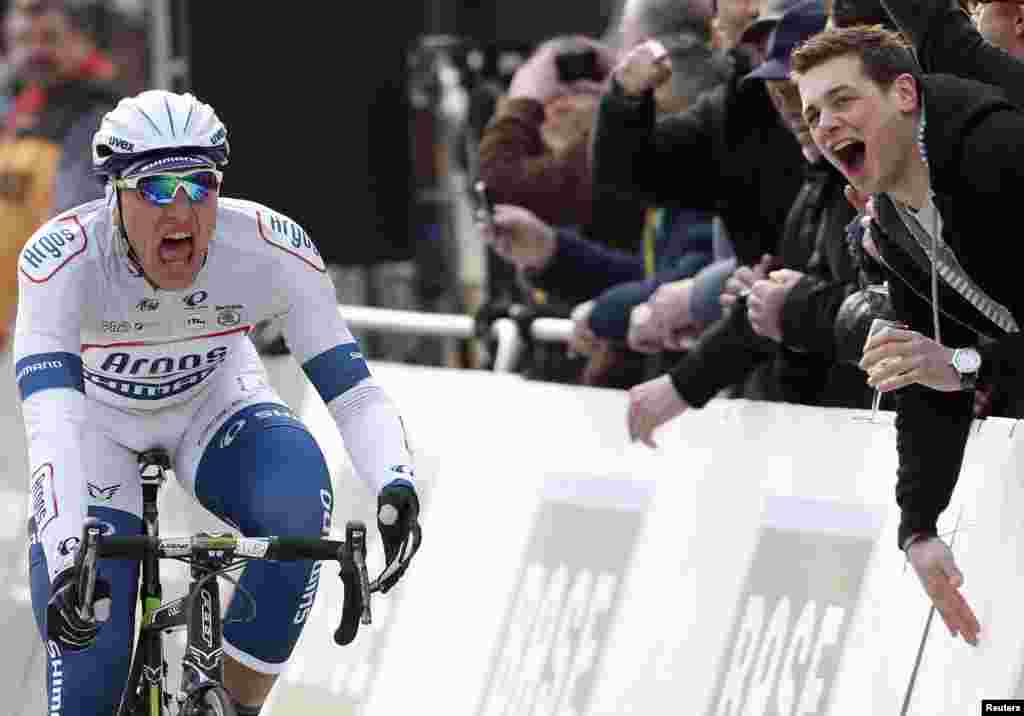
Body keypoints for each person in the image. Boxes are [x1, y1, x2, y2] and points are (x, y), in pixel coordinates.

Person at [15, 90, 422, 715]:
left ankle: (228, 707)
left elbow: (354, 392)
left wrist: (396, 481)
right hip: (95, 430)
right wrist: (70, 554)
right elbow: (53, 424)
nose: (181, 209)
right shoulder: (61, 261)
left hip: (213, 403)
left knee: (298, 508)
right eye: (155, 188)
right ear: (114, 194)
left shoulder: (268, 245)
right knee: (89, 677)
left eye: (200, 184)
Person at [791, 24, 1024, 648]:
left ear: (903, 94)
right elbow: (922, 373)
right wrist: (918, 526)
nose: (826, 124)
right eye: (814, 113)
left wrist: (969, 364)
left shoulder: (997, 152)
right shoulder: (892, 217)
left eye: (843, 101)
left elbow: (952, 364)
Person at [0, 0, 122, 351]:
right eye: (23, 40)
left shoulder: (99, 118)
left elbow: (77, 235)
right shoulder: (15, 109)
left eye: (49, 38)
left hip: (49, 329)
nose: (35, 51)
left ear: (81, 41)